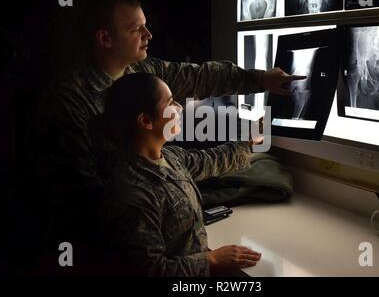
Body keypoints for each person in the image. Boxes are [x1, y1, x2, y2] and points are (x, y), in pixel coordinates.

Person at [31, 0, 305, 246]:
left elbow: (198, 77)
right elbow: (82, 196)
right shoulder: (68, 102)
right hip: (122, 237)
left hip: (157, 209)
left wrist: (258, 79)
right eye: (136, 29)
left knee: (264, 171)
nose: (148, 36)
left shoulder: (144, 71)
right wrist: (165, 221)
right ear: (105, 38)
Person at [100, 72, 262, 276]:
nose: (179, 107)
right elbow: (150, 269)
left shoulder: (170, 156)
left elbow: (210, 160)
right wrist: (211, 259)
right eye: (170, 103)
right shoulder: (132, 192)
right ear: (146, 121)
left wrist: (250, 141)